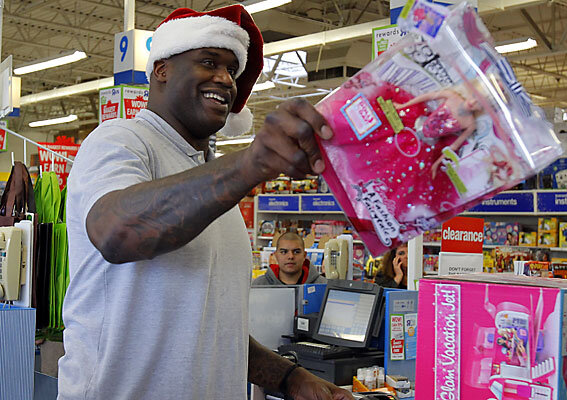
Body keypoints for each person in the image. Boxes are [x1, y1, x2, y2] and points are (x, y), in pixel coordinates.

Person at [58, 5, 352, 400]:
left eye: (232, 70)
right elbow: (116, 232)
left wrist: (290, 378)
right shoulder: (121, 140)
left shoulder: (211, 179)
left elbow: (212, 328)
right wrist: (251, 163)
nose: (225, 79)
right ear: (162, 68)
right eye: (209, 61)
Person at [394, 87, 484, 177]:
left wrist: (437, 163)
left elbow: (454, 146)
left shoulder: (470, 124)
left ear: (481, 108)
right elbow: (427, 96)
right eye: (474, 96)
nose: (473, 102)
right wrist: (403, 106)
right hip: (416, 124)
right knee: (395, 143)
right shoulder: (452, 96)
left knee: (410, 167)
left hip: (428, 144)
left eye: (479, 103)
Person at [252, 232, 327, 286]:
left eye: (296, 252)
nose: (290, 256)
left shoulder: (323, 285)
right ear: (276, 255)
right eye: (284, 252)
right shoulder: (260, 285)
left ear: (304, 255)